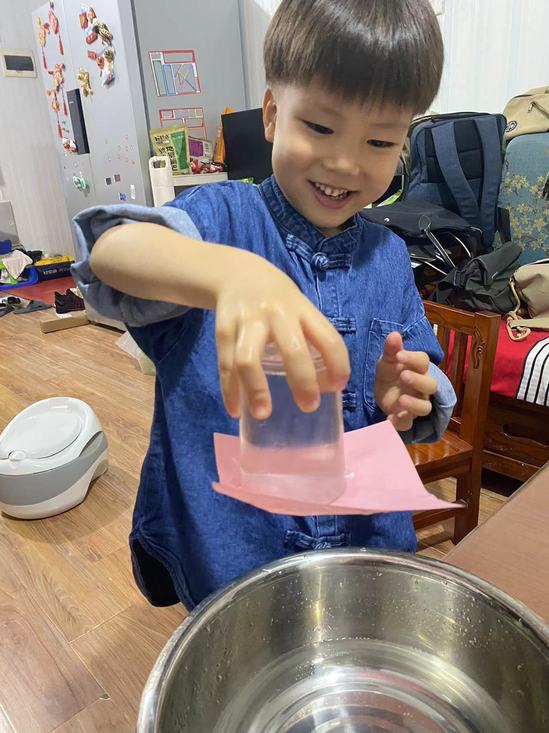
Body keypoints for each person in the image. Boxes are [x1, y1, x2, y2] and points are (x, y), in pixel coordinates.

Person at [73, 0, 455, 610]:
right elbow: (108, 250)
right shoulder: (221, 219)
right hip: (237, 548)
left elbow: (420, 370)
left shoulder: (387, 256)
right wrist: (228, 274)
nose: (345, 162)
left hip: (363, 546)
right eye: (321, 128)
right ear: (274, 114)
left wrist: (408, 390)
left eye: (380, 140)